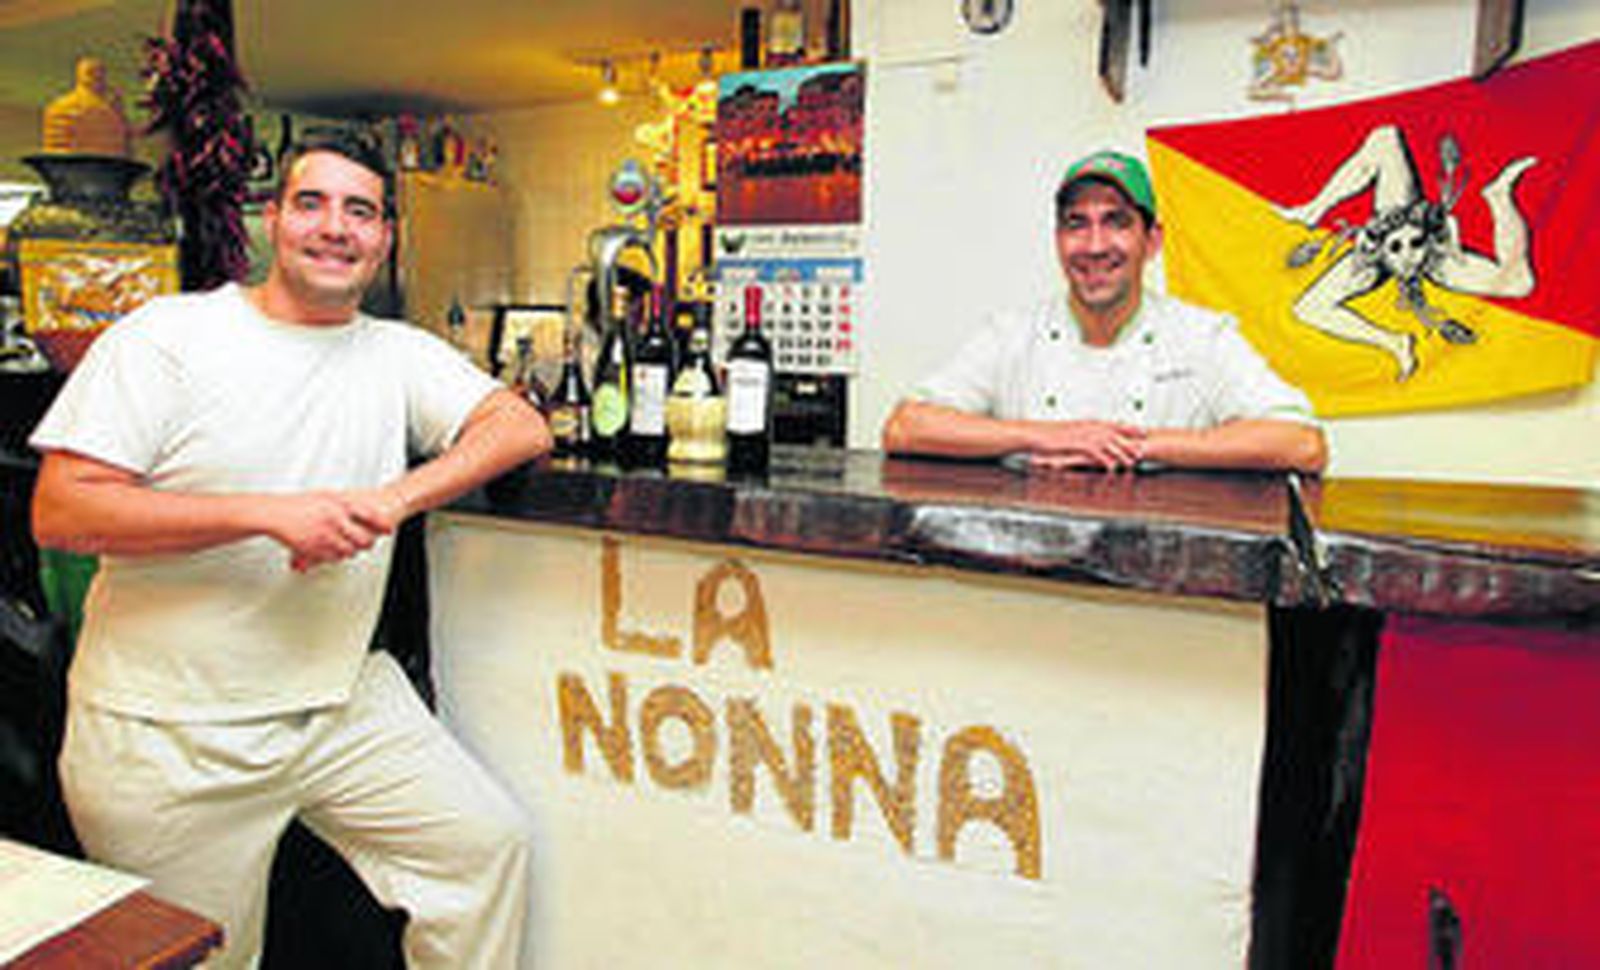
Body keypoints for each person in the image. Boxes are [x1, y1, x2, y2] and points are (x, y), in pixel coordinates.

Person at [30, 132, 550, 969]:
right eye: (312, 204)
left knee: (482, 850)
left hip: (340, 702)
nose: (336, 228)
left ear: (384, 238)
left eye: (361, 211)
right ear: (271, 220)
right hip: (170, 730)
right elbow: (61, 510)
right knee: (205, 957)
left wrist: (392, 499)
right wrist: (268, 515)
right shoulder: (170, 336)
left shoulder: (395, 350)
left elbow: (518, 426)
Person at [882, 149, 1327, 474]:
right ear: (1058, 240)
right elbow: (906, 428)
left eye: (1116, 222)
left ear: (1152, 241)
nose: (1095, 246)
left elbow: (1302, 445)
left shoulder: (1200, 336)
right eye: (1077, 224)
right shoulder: (1012, 334)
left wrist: (1138, 445)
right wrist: (1044, 434)